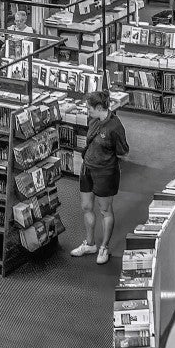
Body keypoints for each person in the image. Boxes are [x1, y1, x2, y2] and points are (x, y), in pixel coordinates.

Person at [71, 91, 130, 265]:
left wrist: (107, 157)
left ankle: (104, 247)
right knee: (86, 206)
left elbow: (124, 151)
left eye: (89, 108)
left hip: (105, 173)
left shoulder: (115, 126)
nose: (86, 110)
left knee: (105, 210)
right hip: (87, 169)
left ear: (99, 107)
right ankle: (90, 244)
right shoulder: (94, 121)